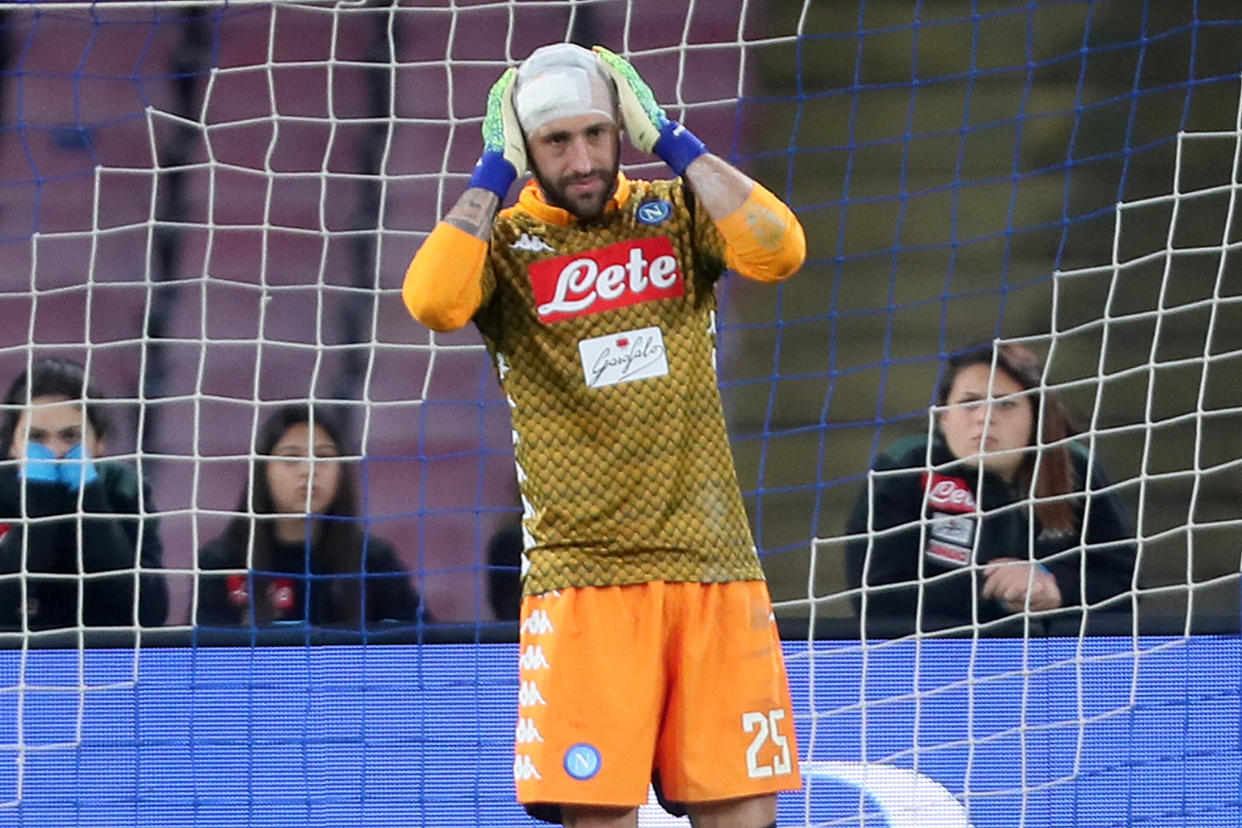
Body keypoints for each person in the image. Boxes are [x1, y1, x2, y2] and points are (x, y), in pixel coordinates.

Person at [404, 43, 804, 828]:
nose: (582, 159)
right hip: (585, 579)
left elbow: (781, 250)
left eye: (597, 133)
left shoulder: (680, 211)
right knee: (601, 815)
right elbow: (433, 301)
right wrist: (493, 171)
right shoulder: (507, 244)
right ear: (528, 148)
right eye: (556, 142)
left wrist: (671, 140)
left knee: (743, 812)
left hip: (714, 567)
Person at [845, 342, 1138, 634]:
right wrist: (994, 588)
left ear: (1036, 416)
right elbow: (875, 599)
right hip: (934, 660)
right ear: (944, 416)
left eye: (1005, 404)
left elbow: (1126, 583)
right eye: (969, 403)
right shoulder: (907, 467)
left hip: (1053, 661)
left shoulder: (1076, 468)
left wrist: (1053, 588)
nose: (985, 417)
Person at [195, 404, 425, 629]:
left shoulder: (374, 561)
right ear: (263, 472)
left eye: (323, 457)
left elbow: (426, 649)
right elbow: (206, 659)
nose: (309, 469)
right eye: (291, 457)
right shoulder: (222, 564)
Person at [0, 358, 167, 630]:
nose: (55, 451)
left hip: (104, 662)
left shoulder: (124, 487)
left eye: (70, 437)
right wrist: (40, 502)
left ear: (99, 442)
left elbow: (150, 611)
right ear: (12, 446)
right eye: (36, 438)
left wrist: (88, 497)